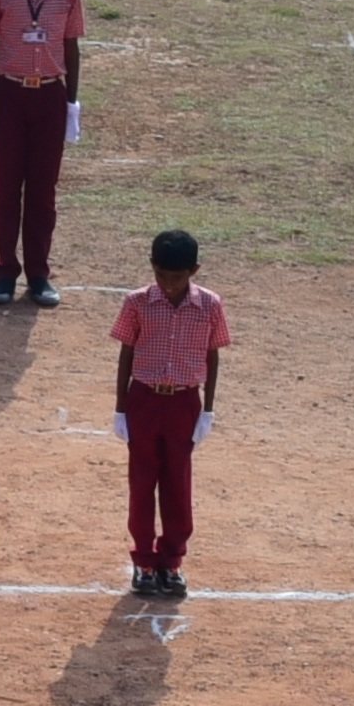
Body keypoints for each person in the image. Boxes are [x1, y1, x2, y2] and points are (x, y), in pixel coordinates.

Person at [0, 0, 88, 304]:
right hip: (8, 93)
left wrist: (71, 102)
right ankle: (5, 271)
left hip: (50, 97)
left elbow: (71, 48)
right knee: (7, 188)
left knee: (43, 191)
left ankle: (39, 274)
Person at [113, 228, 226, 600]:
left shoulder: (210, 305)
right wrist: (121, 407)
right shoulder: (137, 302)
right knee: (142, 480)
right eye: (161, 276)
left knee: (178, 481)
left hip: (184, 402)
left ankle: (172, 560)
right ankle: (144, 560)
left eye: (176, 278)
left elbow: (213, 355)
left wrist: (207, 408)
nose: (168, 285)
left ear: (194, 271)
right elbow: (126, 353)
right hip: (145, 398)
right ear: (152, 268)